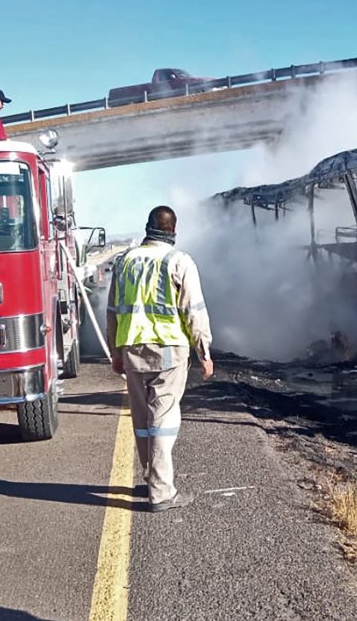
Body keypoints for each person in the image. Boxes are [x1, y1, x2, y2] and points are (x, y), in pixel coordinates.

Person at [106, 205, 214, 513]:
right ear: (173, 231)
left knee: (142, 420)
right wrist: (204, 352)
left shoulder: (124, 261)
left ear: (147, 227)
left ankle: (150, 477)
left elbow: (112, 310)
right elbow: (193, 310)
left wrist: (115, 351)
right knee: (164, 419)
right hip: (168, 348)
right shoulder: (179, 261)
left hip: (130, 347)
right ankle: (162, 492)